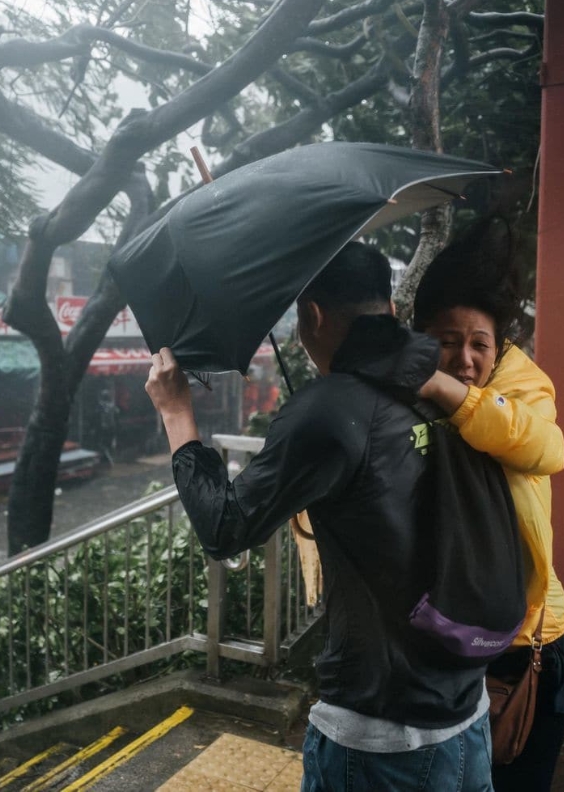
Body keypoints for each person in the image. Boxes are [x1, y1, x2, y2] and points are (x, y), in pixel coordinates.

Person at [145, 242, 494, 792]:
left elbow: (224, 527)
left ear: (312, 315)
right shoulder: (447, 383)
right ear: (393, 311)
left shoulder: (328, 410)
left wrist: (176, 413)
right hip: (467, 713)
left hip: (378, 738)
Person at [412, 221, 564, 792]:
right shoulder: (404, 388)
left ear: (499, 344)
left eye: (478, 343)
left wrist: (448, 392)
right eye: (446, 340)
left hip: (524, 643)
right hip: (441, 637)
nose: (463, 357)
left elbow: (546, 446)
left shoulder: (520, 383)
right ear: (420, 337)